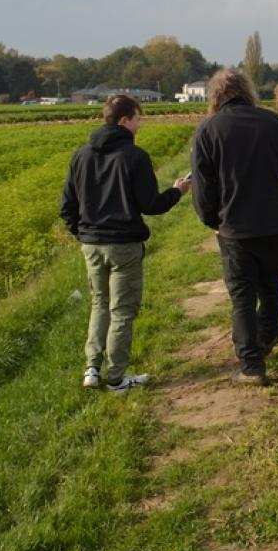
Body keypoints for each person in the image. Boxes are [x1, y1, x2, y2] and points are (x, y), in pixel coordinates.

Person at [190, 68, 278, 385]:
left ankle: (251, 366)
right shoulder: (274, 123)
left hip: (233, 228)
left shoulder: (208, 130)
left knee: (242, 296)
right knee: (271, 286)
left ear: (216, 96)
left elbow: (202, 187)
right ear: (248, 92)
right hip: (273, 224)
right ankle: (269, 333)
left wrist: (210, 220)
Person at [60, 94, 190, 393]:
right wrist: (177, 191)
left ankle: (92, 369)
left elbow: (67, 206)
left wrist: (82, 234)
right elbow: (150, 205)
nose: (139, 125)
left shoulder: (81, 155)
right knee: (121, 311)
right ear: (124, 121)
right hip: (124, 247)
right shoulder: (135, 156)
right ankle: (116, 379)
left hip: (91, 245)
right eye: (137, 119)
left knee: (99, 303)